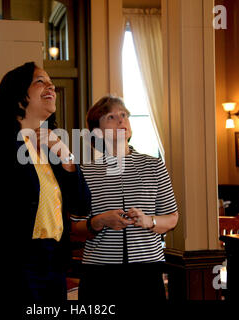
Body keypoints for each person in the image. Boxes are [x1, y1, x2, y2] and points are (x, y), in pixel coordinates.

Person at [0, 62, 90, 303]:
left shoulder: (52, 146)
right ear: (17, 95)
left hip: (54, 265)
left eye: (51, 83)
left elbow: (82, 206)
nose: (51, 86)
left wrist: (66, 156)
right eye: (40, 81)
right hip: (14, 268)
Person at [71, 95, 179, 301]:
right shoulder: (85, 172)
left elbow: (172, 218)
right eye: (111, 117)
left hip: (147, 272)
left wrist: (150, 221)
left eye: (124, 115)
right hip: (99, 274)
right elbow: (76, 228)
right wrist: (100, 221)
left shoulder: (154, 166)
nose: (121, 120)